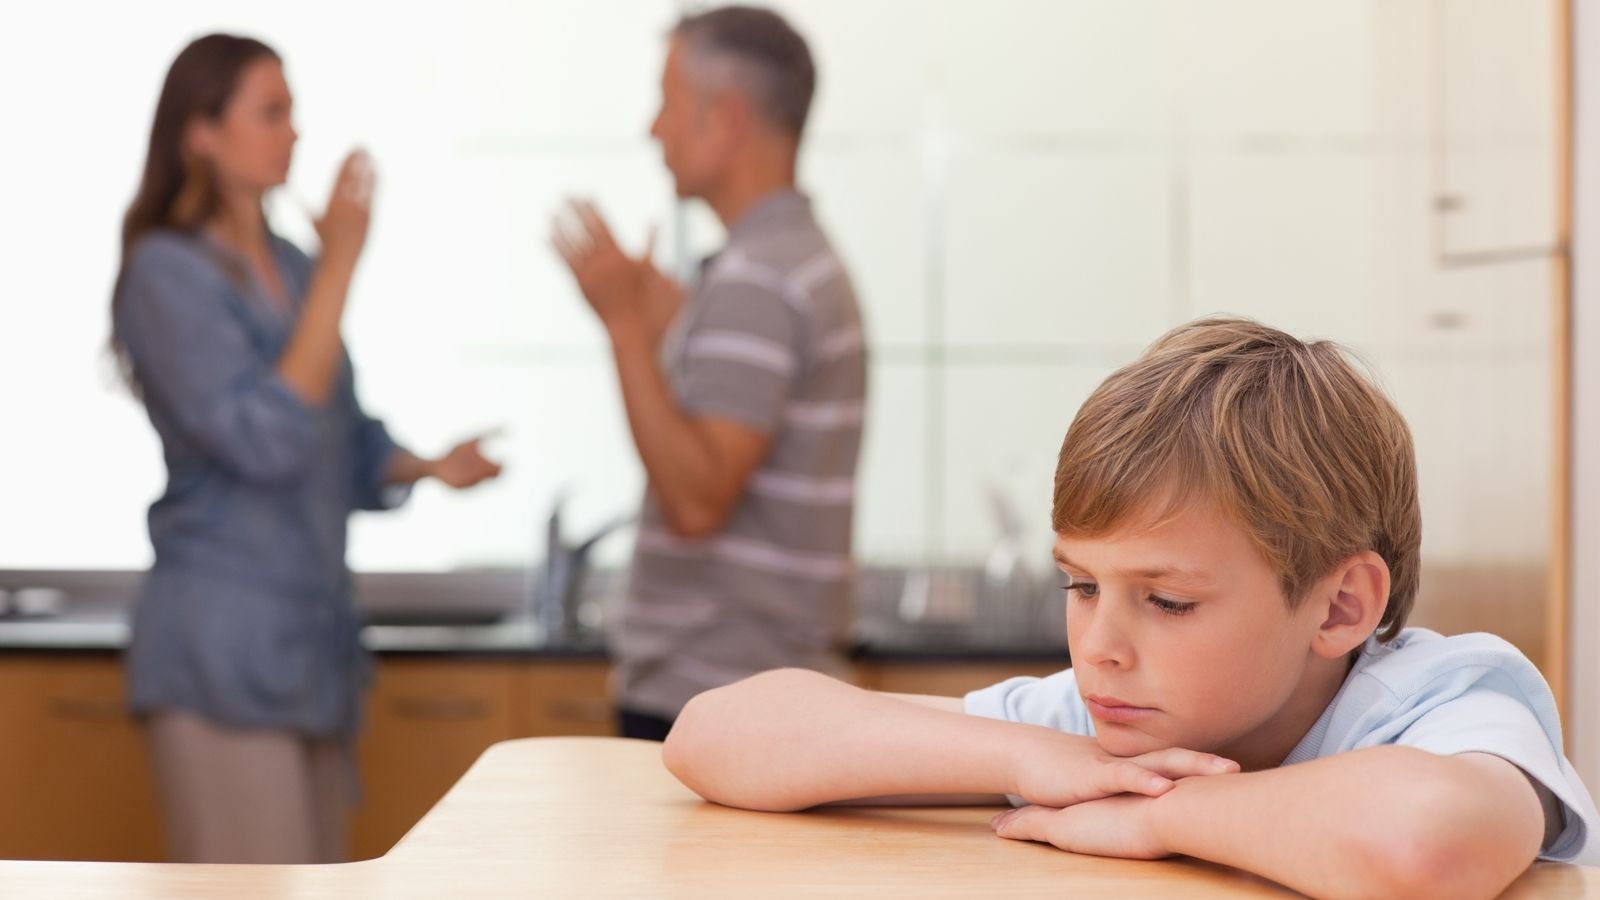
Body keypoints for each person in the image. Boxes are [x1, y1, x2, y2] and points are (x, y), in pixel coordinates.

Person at [663, 318, 1600, 897]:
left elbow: (1423, 845)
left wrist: (1157, 817)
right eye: (1081, 586)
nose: (1099, 647)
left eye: (1167, 600)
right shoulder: (1100, 726)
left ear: (1340, 605)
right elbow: (716, 733)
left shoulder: (1446, 700)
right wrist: (1028, 752)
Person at [110, 33, 501, 863]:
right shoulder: (167, 275)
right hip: (222, 650)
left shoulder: (291, 263)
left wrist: (430, 466)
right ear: (202, 132)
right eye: (272, 112)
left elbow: (339, 443)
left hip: (311, 649)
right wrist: (340, 270)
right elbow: (267, 443)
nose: (294, 133)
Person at [552, 6, 866, 740]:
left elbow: (697, 501)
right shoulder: (795, 262)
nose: (652, 129)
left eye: (667, 103)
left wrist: (625, 326)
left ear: (723, 119)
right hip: (755, 690)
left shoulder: (756, 280)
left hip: (712, 693)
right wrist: (677, 325)